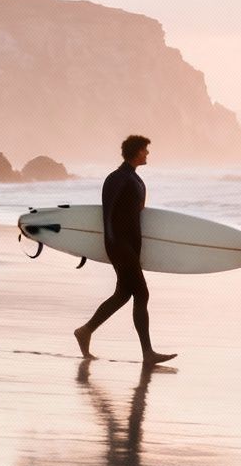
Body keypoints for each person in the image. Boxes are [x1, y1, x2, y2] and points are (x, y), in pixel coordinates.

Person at [75, 134, 176, 365]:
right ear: (136, 151)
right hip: (119, 244)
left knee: (123, 294)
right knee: (142, 293)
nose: (148, 153)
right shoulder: (117, 178)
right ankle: (148, 353)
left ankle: (85, 331)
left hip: (130, 245)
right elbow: (108, 212)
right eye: (145, 150)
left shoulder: (135, 179)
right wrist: (112, 241)